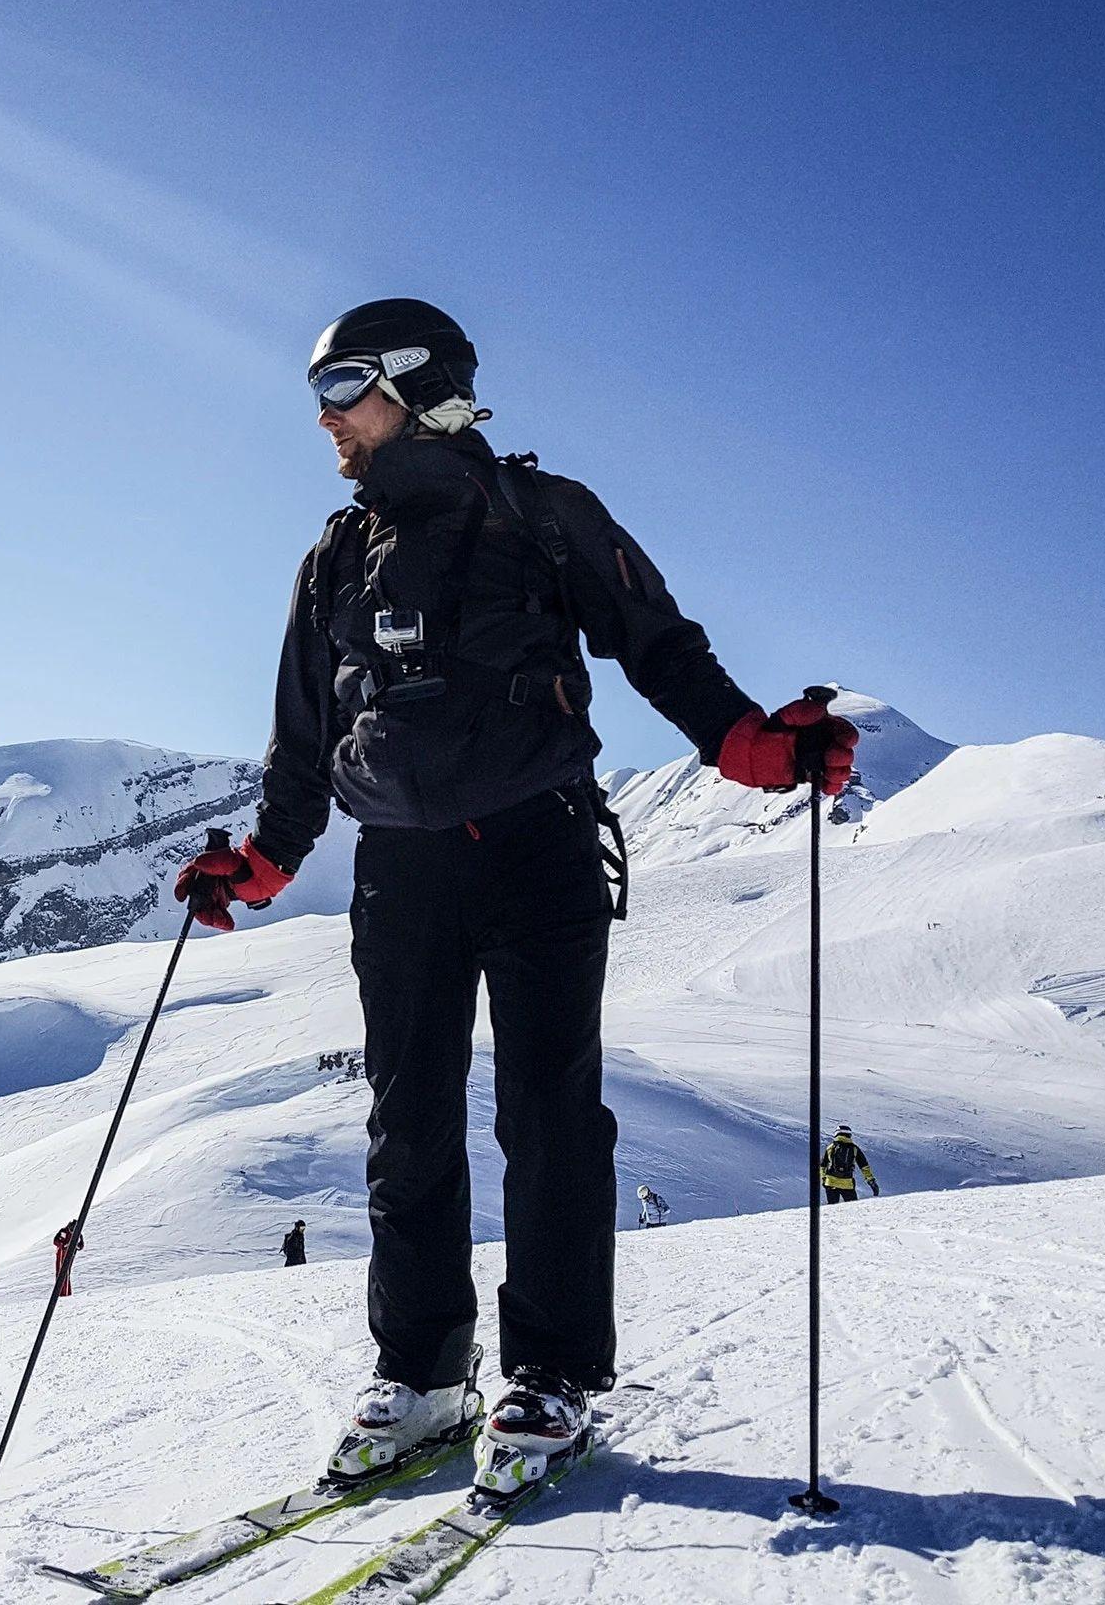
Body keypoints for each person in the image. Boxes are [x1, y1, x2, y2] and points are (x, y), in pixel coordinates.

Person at [176, 298, 855, 1492]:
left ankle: (550, 1374)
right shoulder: (333, 556)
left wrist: (748, 742)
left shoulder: (547, 514)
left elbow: (659, 644)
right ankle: (425, 1374)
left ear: (417, 385)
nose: (324, 418)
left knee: (549, 1114)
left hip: (539, 845)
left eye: (343, 388)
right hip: (401, 869)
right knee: (410, 1121)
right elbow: (301, 737)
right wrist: (270, 857)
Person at [820, 1125, 878, 1205]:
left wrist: (823, 1178)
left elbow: (822, 1165)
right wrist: (871, 1181)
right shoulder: (854, 1149)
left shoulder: (830, 1147)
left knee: (832, 1208)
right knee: (852, 1208)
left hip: (830, 1183)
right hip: (847, 1183)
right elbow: (864, 1167)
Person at [51, 1221, 82, 1297]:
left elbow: (81, 1245)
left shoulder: (78, 1233)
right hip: (61, 1254)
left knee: (67, 1272)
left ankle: (66, 1292)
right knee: (60, 1271)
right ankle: (59, 1292)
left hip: (70, 1255)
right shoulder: (63, 1231)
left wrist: (77, 1246)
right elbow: (55, 1241)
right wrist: (63, 1245)